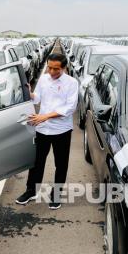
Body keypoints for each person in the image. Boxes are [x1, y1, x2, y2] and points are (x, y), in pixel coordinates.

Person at [15, 53, 79, 210]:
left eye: (55, 69)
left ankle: (56, 195)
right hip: (42, 128)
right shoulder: (44, 79)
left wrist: (45, 116)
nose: (51, 71)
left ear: (63, 68)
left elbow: (70, 107)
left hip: (61, 130)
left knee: (61, 164)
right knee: (37, 161)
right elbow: (37, 99)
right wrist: (30, 94)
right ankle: (31, 191)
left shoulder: (71, 83)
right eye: (49, 67)